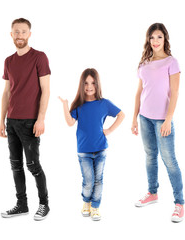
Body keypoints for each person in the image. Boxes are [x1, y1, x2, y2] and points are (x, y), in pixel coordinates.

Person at [131, 23, 185, 223]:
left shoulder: (172, 62)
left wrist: (168, 120)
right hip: (144, 117)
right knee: (150, 157)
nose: (155, 41)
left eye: (159, 37)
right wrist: (134, 118)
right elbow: (139, 92)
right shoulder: (144, 63)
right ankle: (152, 192)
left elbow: (175, 92)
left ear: (165, 39)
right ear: (148, 40)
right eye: (152, 37)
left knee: (169, 160)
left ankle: (179, 203)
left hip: (163, 120)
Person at [0, 18, 51, 221]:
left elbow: (46, 90)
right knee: (15, 165)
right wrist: (1, 121)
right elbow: (6, 92)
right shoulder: (8, 61)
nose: (19, 35)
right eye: (16, 32)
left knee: (33, 165)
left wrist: (41, 119)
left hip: (30, 121)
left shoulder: (39, 57)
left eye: (23, 32)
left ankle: (44, 204)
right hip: (11, 121)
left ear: (29, 34)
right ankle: (21, 205)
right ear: (11, 34)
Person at [59, 68, 124, 221]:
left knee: (98, 180)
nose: (89, 86)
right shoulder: (78, 105)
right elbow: (69, 123)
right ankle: (86, 203)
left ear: (97, 84)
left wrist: (109, 130)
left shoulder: (104, 103)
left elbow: (121, 115)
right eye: (86, 83)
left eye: (93, 83)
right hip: (84, 151)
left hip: (101, 149)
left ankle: (95, 207)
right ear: (82, 85)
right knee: (88, 181)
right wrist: (65, 105)